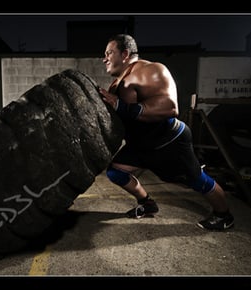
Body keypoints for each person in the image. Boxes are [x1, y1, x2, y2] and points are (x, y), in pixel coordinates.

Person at [98, 34, 234, 230]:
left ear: (125, 54)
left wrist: (120, 106)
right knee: (115, 171)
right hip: (142, 145)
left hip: (169, 142)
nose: (105, 58)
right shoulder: (118, 82)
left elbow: (170, 107)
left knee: (197, 181)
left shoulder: (150, 70)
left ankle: (224, 215)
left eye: (109, 53)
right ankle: (147, 204)